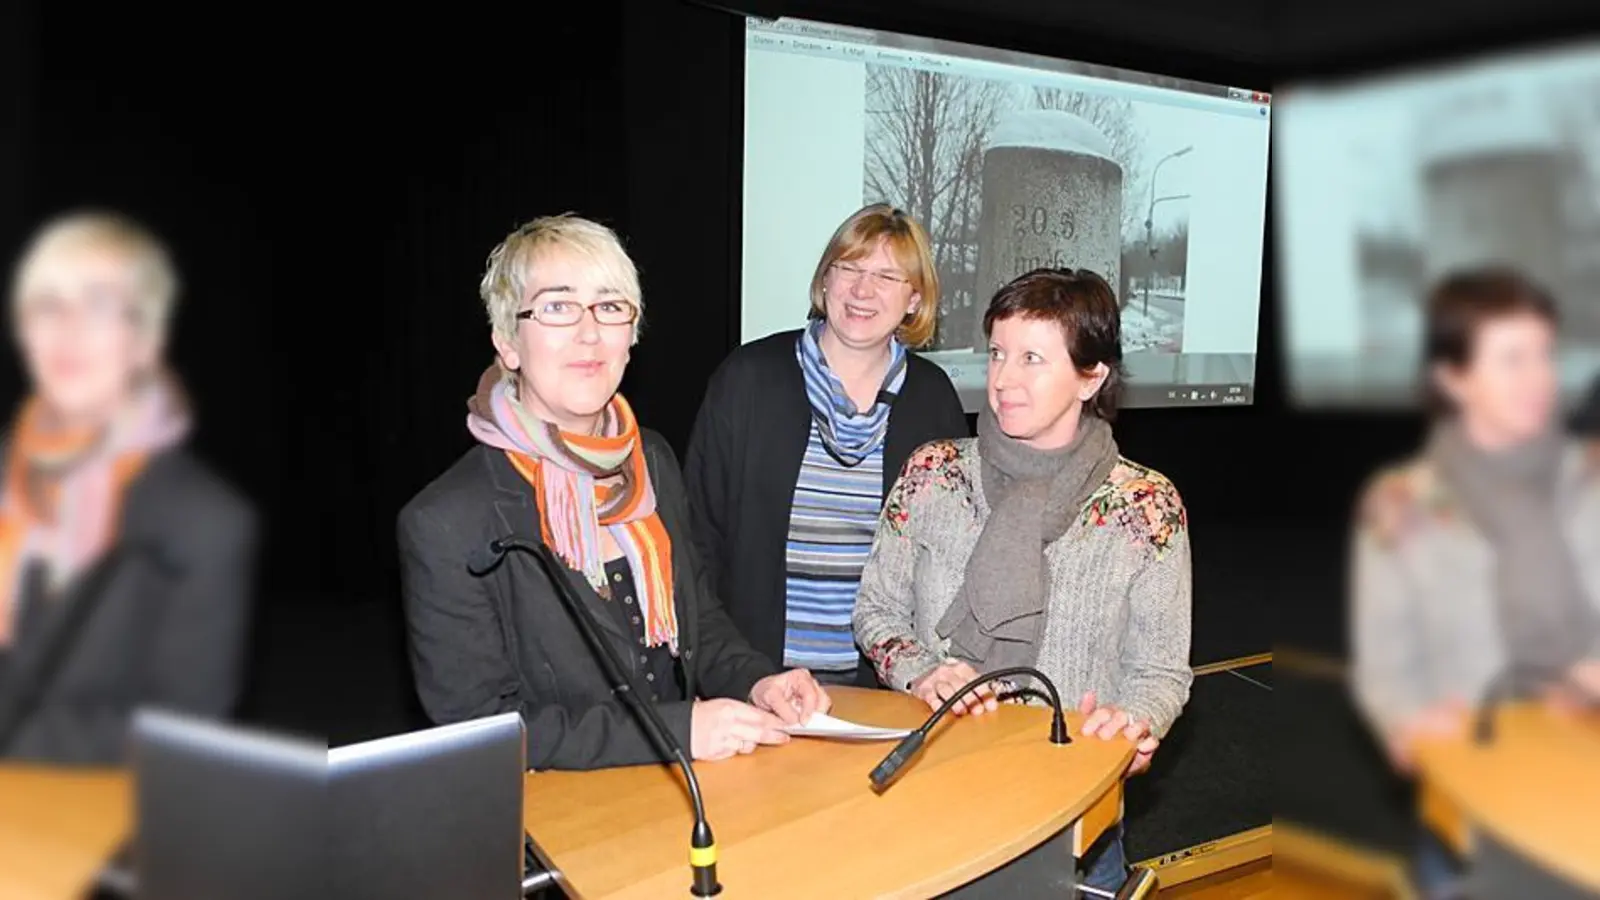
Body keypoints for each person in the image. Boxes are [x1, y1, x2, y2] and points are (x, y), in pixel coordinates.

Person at [399, 215, 831, 771]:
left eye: (609, 306)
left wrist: (757, 680)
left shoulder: (650, 458)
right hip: (561, 822)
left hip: (690, 789)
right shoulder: (447, 521)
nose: (589, 333)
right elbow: (479, 731)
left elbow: (699, 615)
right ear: (508, 342)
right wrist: (674, 732)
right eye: (557, 307)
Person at [852, 268, 1193, 892]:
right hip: (926, 798)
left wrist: (1134, 723)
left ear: (1092, 376)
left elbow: (1161, 672)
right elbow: (876, 613)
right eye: (998, 353)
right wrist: (924, 671)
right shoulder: (932, 473)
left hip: (1071, 820)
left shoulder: (1145, 505)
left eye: (1032, 358)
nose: (1003, 379)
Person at [1349, 268, 1600, 900]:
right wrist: (1408, 722)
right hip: (1480, 800)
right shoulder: (1403, 502)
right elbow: (1386, 672)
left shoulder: (1588, 482)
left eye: (1545, 355)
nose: (1540, 377)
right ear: (1453, 378)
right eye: (1513, 359)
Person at [0, 211, 258, 764]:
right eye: (48, 306)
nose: (68, 331)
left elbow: (178, 741)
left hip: (80, 832)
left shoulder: (205, 522)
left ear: (146, 340)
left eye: (98, 307)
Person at [683, 204, 967, 689]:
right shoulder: (748, 380)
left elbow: (950, 558)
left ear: (914, 300)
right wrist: (732, 675)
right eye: (850, 269)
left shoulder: (933, 399)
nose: (862, 290)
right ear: (825, 280)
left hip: (885, 690)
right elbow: (697, 543)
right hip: (758, 683)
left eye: (886, 276)